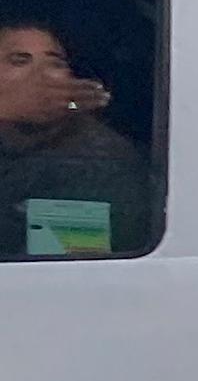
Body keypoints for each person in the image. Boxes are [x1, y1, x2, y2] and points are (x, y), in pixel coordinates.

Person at [0, 17, 157, 259]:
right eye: (19, 61)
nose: (40, 75)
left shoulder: (100, 157)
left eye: (55, 63)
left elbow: (62, 267)